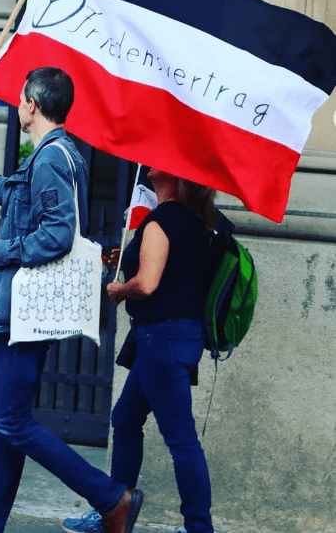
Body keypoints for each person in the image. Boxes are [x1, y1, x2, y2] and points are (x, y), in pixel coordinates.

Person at [0, 67, 142, 533]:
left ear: (30, 102)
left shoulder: (51, 158)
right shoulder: (56, 153)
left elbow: (58, 234)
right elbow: (14, 193)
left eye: (19, 97)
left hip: (23, 311)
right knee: (12, 422)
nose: (15, 104)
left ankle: (111, 497)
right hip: (26, 309)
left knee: (13, 422)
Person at [62, 169, 216, 533]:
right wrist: (128, 256)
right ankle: (114, 507)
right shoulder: (196, 221)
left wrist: (119, 290)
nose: (149, 165)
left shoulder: (162, 219)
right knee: (126, 419)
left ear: (173, 175)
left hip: (161, 340)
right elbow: (174, 271)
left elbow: (146, 285)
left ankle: (198, 527)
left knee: (180, 438)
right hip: (174, 338)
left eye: (158, 161)